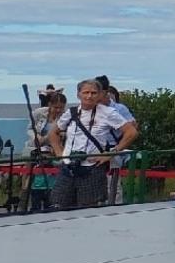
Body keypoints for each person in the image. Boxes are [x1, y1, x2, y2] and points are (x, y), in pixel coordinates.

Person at [48, 79, 139, 210]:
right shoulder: (72, 112)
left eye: (93, 93)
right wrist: (60, 154)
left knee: (87, 209)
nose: (89, 96)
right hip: (68, 167)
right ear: (78, 94)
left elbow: (131, 132)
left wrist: (111, 153)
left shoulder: (108, 113)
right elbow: (53, 133)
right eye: (85, 92)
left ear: (100, 94)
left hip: (91, 168)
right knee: (58, 206)